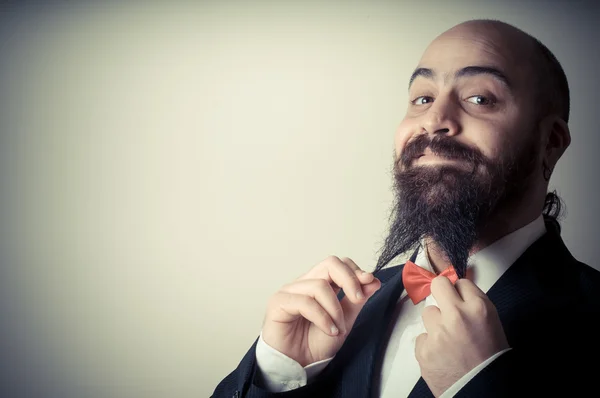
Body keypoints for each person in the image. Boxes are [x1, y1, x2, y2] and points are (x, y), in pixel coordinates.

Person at [211, 19, 600, 398]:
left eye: (479, 98)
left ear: (550, 142)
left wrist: (481, 384)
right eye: (423, 98)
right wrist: (280, 373)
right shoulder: (339, 311)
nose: (434, 120)